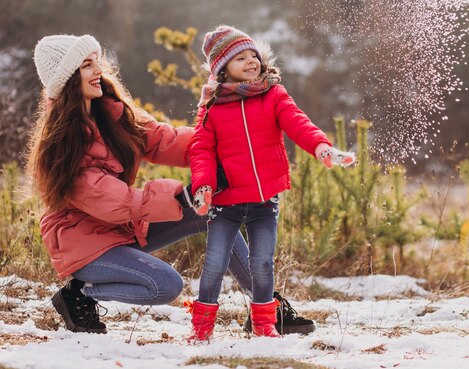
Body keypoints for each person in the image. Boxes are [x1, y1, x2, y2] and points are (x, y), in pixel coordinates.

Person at [27, 34, 316, 336]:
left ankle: (266, 305)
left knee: (210, 209)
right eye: (87, 65)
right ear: (69, 79)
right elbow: (110, 200)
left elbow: (161, 139)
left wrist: (220, 140)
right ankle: (79, 293)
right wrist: (182, 197)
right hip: (85, 245)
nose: (99, 70)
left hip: (122, 227)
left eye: (97, 62)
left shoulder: (110, 112)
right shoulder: (61, 141)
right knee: (164, 285)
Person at [186, 25, 355, 340]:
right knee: (214, 265)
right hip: (226, 203)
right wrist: (204, 186)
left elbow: (297, 122)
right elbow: (201, 151)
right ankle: (201, 329)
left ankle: (265, 324)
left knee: (262, 263)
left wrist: (321, 147)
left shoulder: (273, 93)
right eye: (240, 58)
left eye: (253, 55)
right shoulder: (211, 106)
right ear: (222, 70)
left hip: (264, 200)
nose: (251, 61)